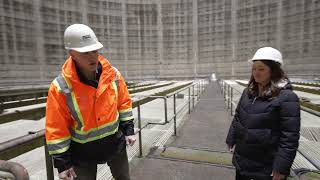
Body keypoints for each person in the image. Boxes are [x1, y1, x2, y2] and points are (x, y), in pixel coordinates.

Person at [45, 24, 136, 180]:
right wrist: (62, 163)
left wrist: (129, 130)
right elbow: (57, 127)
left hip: (115, 144)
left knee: (123, 177)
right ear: (71, 53)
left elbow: (124, 103)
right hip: (82, 153)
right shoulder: (60, 87)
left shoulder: (113, 75)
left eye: (94, 51)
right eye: (85, 53)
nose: (92, 56)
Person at [226, 47, 300, 180]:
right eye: (254, 68)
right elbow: (238, 116)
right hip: (243, 159)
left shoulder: (287, 97)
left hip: (266, 166)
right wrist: (231, 137)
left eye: (261, 69)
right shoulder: (248, 92)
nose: (256, 73)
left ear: (273, 70)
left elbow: (289, 137)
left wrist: (281, 167)